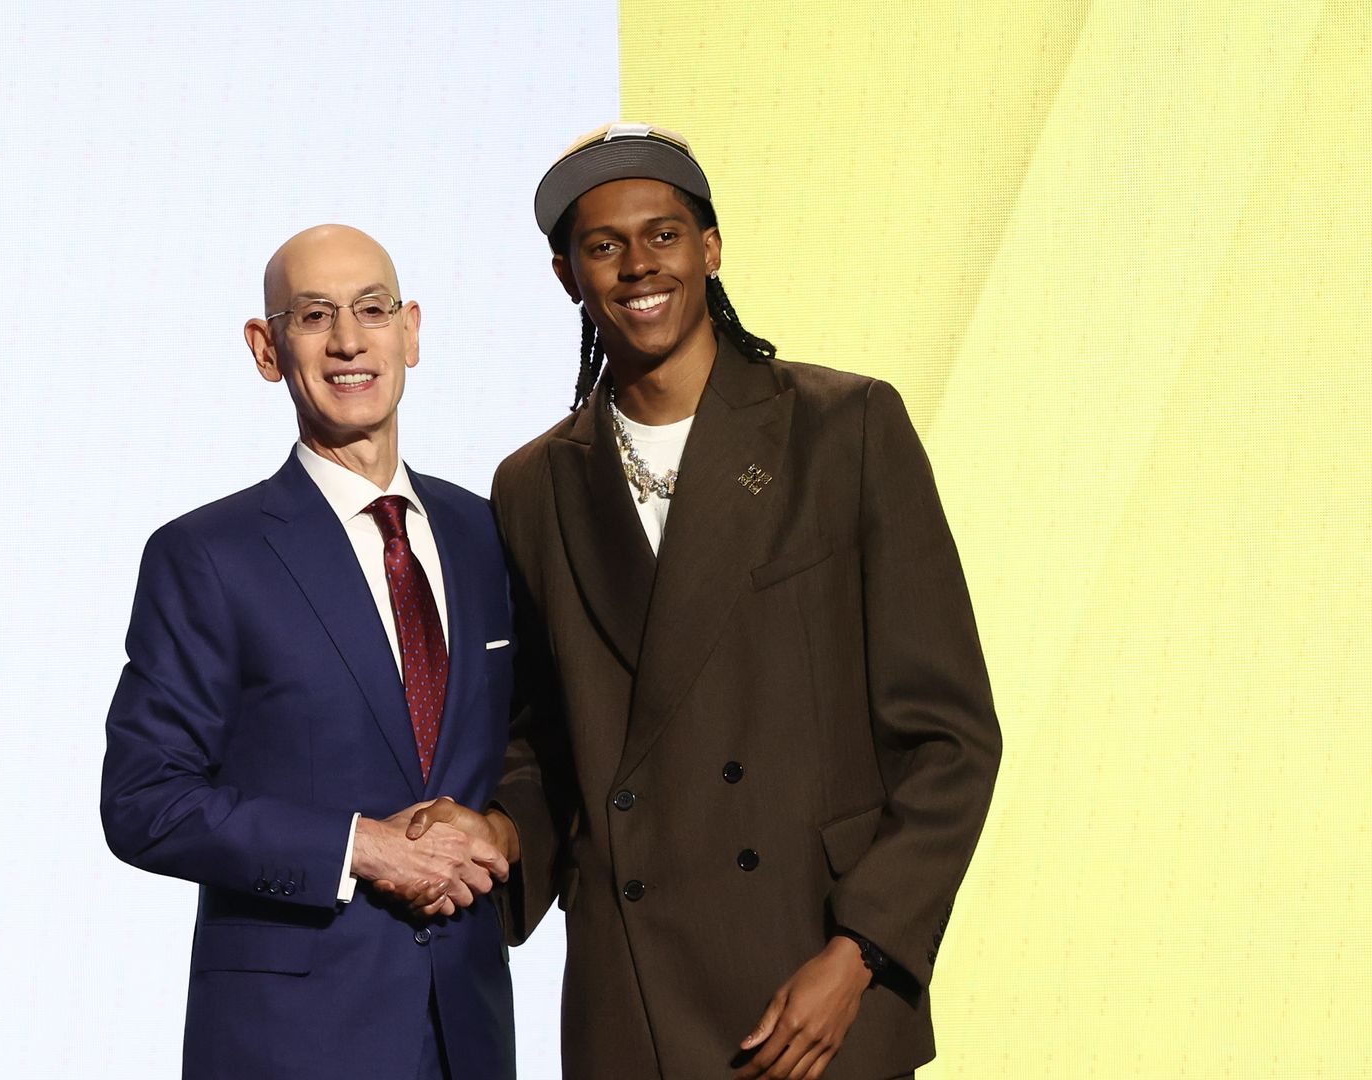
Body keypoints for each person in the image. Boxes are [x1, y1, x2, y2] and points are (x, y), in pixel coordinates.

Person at [410, 123, 1003, 1079]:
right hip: (633, 1004)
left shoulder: (844, 428)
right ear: (567, 273)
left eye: (664, 233)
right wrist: (502, 829)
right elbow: (548, 744)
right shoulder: (533, 485)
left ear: (711, 249)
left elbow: (950, 738)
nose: (638, 264)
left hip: (815, 988)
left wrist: (860, 956)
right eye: (603, 246)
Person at [100, 224, 516, 1079]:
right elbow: (146, 800)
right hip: (288, 1041)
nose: (349, 340)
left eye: (372, 309)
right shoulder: (210, 555)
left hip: (466, 1032)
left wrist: (502, 830)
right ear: (267, 348)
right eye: (314, 314)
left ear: (411, 331)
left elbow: (534, 748)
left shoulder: (487, 534)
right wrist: (359, 846)